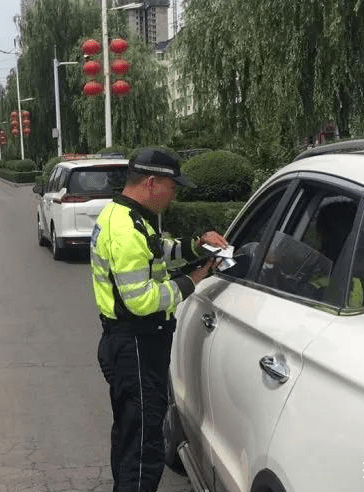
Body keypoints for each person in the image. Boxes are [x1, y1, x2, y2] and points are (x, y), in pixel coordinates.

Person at [90, 148, 228, 492]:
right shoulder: (126, 230)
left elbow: (158, 251)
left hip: (128, 344)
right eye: (172, 186)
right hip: (136, 345)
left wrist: (197, 246)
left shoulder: (126, 215)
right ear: (152, 183)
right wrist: (193, 280)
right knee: (143, 447)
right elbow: (141, 301)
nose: (174, 194)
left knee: (130, 437)